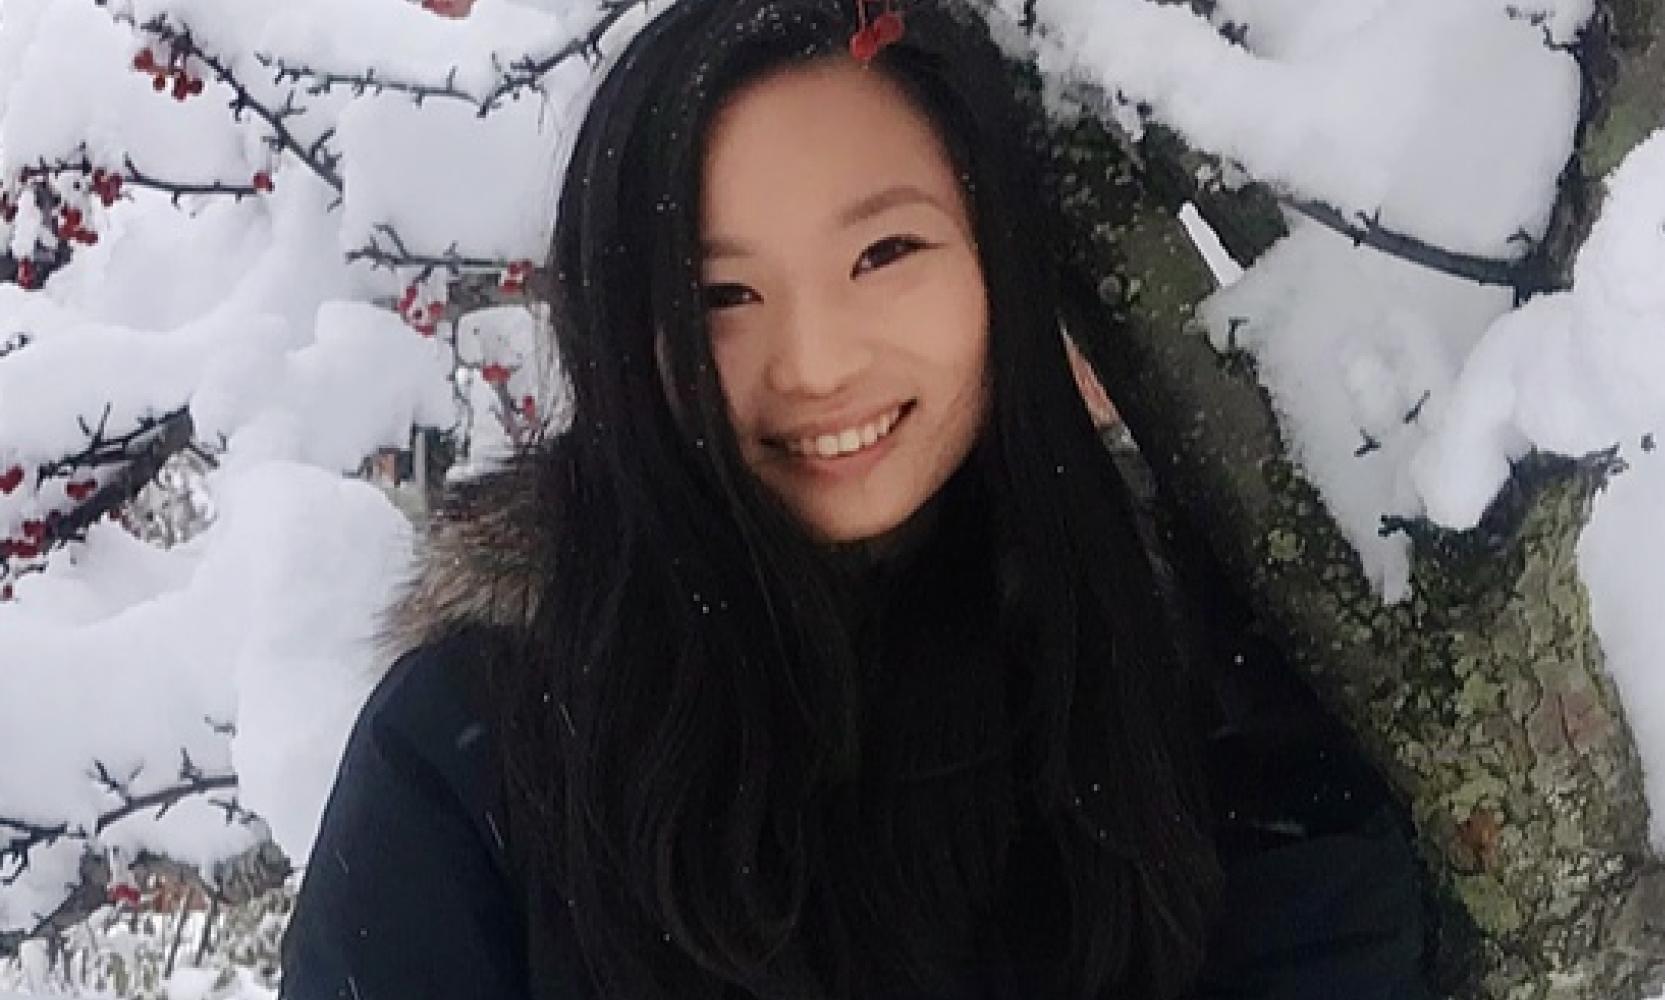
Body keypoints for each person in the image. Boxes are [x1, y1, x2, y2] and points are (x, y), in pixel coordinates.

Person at [278, 1, 1433, 997]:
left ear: (1003, 258)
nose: (815, 363)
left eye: (884, 253)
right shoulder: (479, 748)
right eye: (719, 293)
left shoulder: (1195, 685)